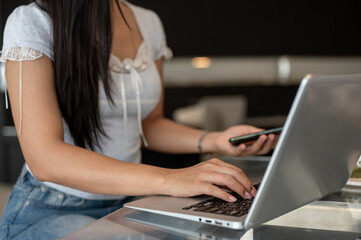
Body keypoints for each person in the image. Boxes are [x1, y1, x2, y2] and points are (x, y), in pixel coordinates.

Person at [0, 0, 278, 239]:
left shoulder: (148, 22)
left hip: (129, 201)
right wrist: (171, 179)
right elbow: (45, 159)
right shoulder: (30, 22)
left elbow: (148, 124)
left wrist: (216, 139)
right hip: (50, 208)